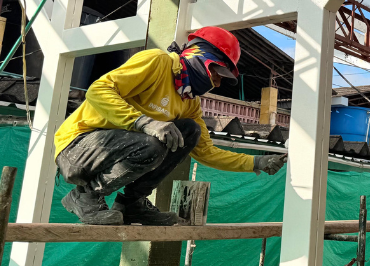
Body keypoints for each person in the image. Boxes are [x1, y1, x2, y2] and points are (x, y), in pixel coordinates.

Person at [53, 26, 286, 226]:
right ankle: (85, 196)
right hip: (78, 147)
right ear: (200, 55)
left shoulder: (189, 103)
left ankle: (132, 203)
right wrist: (145, 122)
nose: (216, 83)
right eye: (218, 73)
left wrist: (256, 162)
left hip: (118, 148)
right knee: (152, 143)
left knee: (189, 131)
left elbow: (207, 153)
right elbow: (98, 90)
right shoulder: (157, 62)